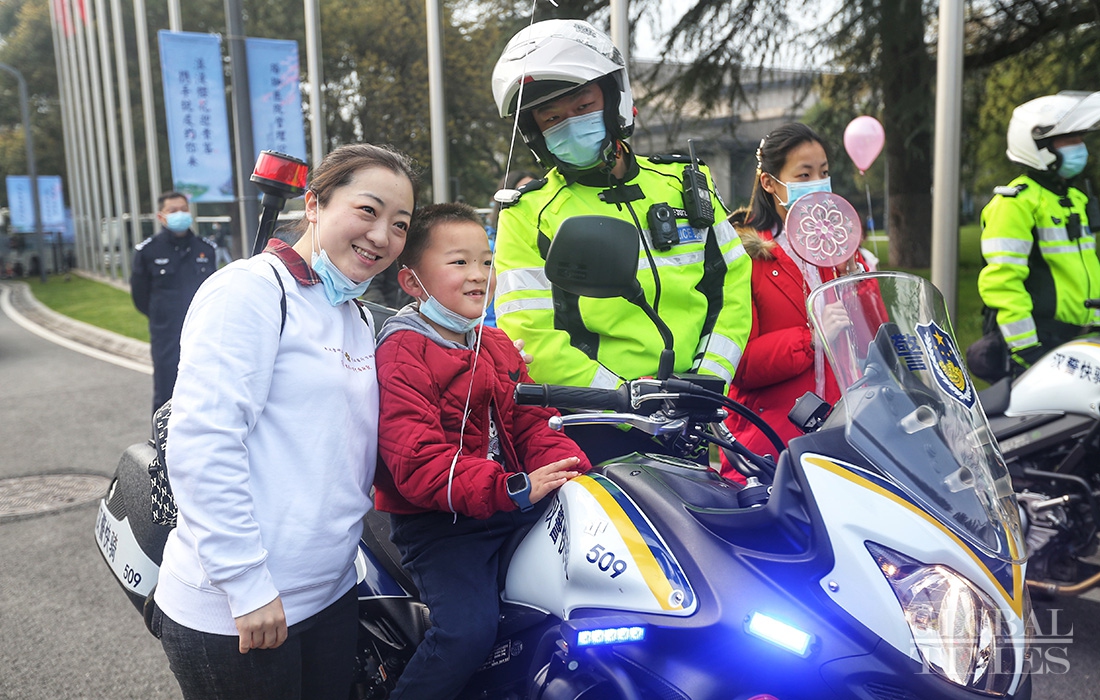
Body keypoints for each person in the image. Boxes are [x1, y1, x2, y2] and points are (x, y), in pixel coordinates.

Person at [151, 144, 418, 700]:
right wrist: (246, 585)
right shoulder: (250, 291)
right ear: (314, 204)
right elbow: (204, 445)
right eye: (367, 211)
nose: (382, 236)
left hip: (333, 592)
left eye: (399, 224)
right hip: (241, 610)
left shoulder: (353, 314)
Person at [490, 19, 752, 463]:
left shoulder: (683, 183)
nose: (571, 123)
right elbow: (532, 335)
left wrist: (707, 381)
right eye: (552, 118)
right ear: (536, 132)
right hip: (596, 422)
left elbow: (731, 289)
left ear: (614, 100)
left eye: (583, 105)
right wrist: (626, 400)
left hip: (692, 411)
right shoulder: (528, 212)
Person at [373, 202, 591, 700]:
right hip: (442, 524)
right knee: (466, 633)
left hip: (510, 502)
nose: (478, 274)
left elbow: (533, 422)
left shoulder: (494, 342)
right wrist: (513, 487)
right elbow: (419, 462)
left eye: (486, 262)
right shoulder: (402, 351)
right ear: (412, 282)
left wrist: (571, 470)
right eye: (459, 262)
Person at [719, 123, 871, 470]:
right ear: (769, 182)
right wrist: (811, 340)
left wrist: (855, 280)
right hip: (770, 443)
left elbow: (870, 340)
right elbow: (740, 363)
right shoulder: (745, 257)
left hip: (840, 436)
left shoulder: (838, 250)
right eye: (804, 175)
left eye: (824, 173)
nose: (818, 183)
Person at [974, 91, 1100, 381]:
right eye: (1069, 140)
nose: (1080, 147)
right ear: (1038, 145)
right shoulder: (1014, 203)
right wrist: (1026, 348)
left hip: (1079, 340)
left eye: (1080, 138)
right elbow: (1002, 284)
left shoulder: (1076, 198)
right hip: (1038, 342)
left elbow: (1086, 269)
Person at [130, 192, 216, 411]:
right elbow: (140, 296)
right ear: (161, 216)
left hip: (202, 332)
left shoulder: (205, 249)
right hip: (166, 334)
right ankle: (163, 435)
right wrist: (161, 315)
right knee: (166, 392)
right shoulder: (148, 251)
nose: (180, 214)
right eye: (173, 210)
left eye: (184, 210)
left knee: (204, 390)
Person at [483, 170, 537, 327]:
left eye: (535, 193)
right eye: (521, 193)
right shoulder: (488, 248)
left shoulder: (551, 243)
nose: (529, 199)